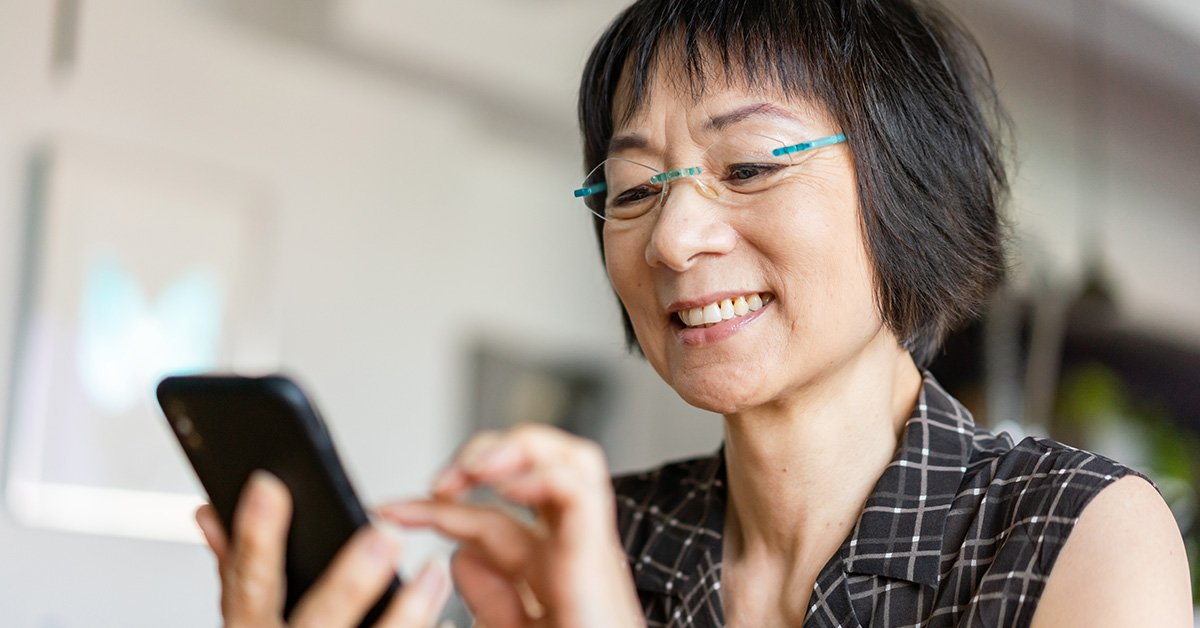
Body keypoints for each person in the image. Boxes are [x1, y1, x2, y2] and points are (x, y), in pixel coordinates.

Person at [194, 0, 1194, 626]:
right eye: (632, 190)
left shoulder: (1071, 529)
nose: (671, 239)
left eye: (750, 166)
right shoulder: (607, 538)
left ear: (912, 189)